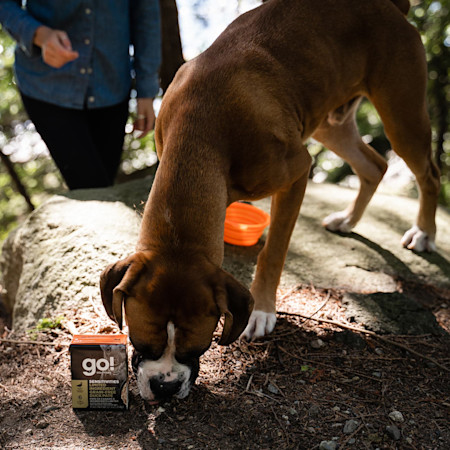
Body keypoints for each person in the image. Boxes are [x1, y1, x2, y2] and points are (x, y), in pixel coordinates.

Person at [0, 0, 161, 190]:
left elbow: (146, 11)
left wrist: (146, 89)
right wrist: (38, 34)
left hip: (112, 86)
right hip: (46, 87)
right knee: (93, 190)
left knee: (103, 186)